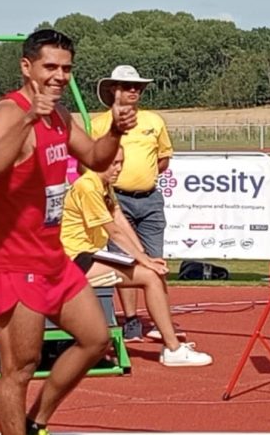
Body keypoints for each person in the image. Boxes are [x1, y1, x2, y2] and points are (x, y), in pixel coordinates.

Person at [0, 29, 136, 435]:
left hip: (52, 258)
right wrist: (29, 116)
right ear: (26, 66)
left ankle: (38, 420)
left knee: (96, 339)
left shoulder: (61, 116)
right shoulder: (9, 112)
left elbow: (97, 158)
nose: (59, 75)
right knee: (20, 368)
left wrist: (116, 130)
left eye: (66, 68)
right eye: (50, 66)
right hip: (15, 263)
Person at [59, 147, 212, 367]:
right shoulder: (88, 186)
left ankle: (169, 342)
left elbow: (119, 217)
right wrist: (143, 259)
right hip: (74, 260)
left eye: (121, 163)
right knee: (150, 277)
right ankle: (173, 349)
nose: (119, 169)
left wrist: (144, 255)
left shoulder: (103, 185)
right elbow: (114, 231)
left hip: (89, 255)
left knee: (152, 273)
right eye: (114, 163)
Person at [91, 65, 174, 342]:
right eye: (128, 86)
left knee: (156, 260)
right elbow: (92, 162)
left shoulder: (154, 120)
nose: (134, 91)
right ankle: (131, 321)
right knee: (124, 261)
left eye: (138, 87)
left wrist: (144, 176)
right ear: (114, 89)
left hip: (149, 198)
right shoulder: (100, 123)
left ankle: (163, 324)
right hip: (116, 199)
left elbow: (164, 158)